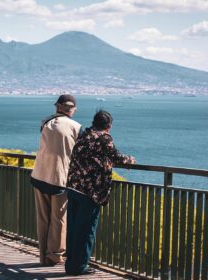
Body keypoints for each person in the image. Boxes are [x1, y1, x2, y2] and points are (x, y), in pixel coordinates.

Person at [65, 110, 135, 275]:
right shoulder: (104, 138)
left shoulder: (83, 136)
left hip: (74, 187)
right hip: (91, 192)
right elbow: (116, 157)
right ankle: (79, 267)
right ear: (108, 127)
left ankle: (70, 265)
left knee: (74, 228)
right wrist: (129, 160)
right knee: (87, 230)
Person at [30, 94, 82, 266]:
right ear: (73, 109)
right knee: (58, 219)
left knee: (43, 219)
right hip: (59, 178)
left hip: (40, 175)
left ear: (57, 107)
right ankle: (54, 256)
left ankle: (43, 256)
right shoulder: (77, 127)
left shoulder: (46, 123)